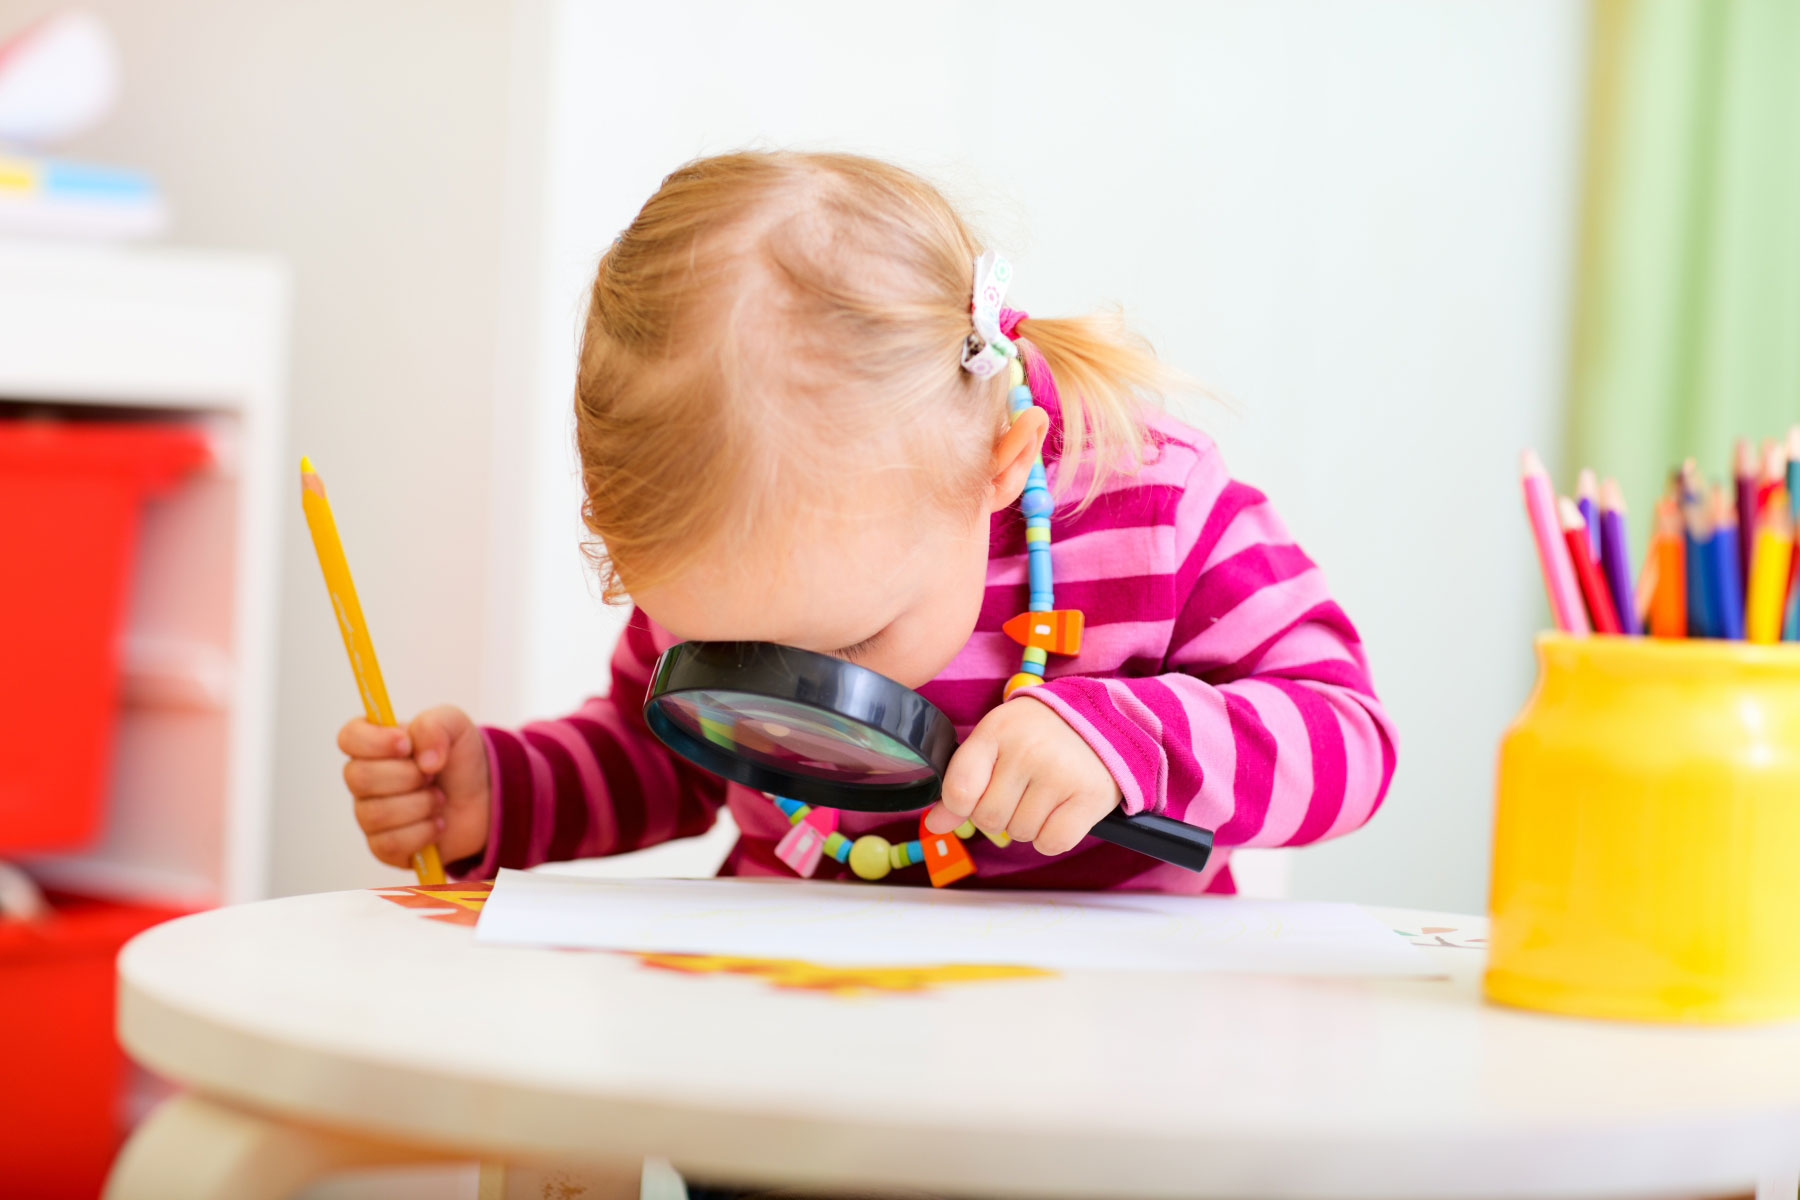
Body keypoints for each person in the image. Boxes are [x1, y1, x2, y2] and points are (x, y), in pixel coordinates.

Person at [337, 150, 1396, 895]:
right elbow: (664, 756)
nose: (792, 691)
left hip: (1102, 1063)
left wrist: (1132, 741)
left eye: (850, 648)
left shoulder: (1152, 506)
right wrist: (497, 794)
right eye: (732, 654)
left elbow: (1351, 741)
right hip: (796, 1040)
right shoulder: (744, 554)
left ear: (998, 466)